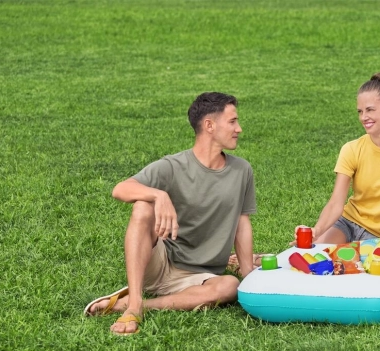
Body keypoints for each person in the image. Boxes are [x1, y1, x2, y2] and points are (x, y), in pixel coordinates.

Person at [84, 92, 256, 335]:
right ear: (209, 125)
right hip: (161, 263)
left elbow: (242, 223)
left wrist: (248, 274)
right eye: (232, 121)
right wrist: (158, 195)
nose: (238, 128)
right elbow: (120, 189)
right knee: (142, 205)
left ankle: (141, 304)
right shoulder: (173, 166)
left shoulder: (242, 170)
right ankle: (133, 304)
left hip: (201, 276)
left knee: (229, 285)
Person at [294, 73, 380, 244]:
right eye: (360, 111)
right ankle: (257, 259)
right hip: (347, 223)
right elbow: (336, 202)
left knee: (353, 264)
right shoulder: (352, 149)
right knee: (318, 255)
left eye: (370, 110)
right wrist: (316, 231)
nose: (363, 117)